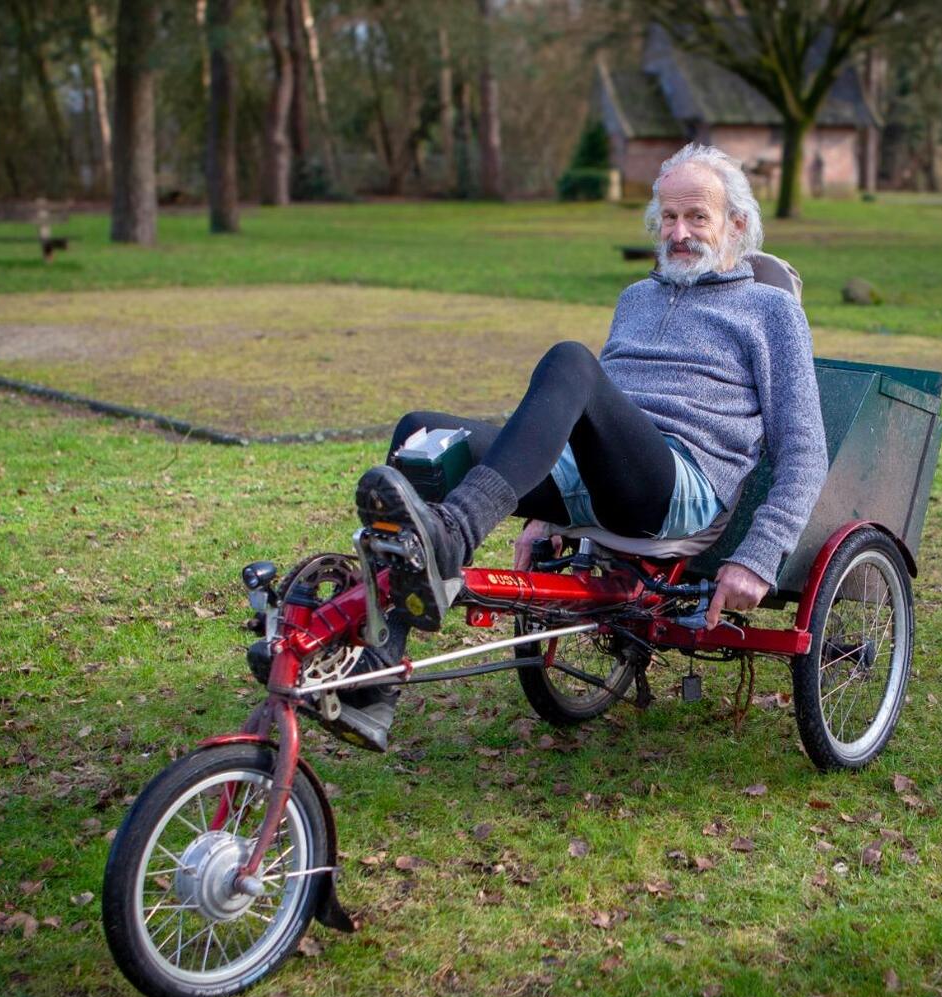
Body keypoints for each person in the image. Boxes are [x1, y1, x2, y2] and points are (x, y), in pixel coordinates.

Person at [331, 142, 828, 753]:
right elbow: (585, 419)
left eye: (697, 217)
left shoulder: (770, 310)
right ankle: (377, 678)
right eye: (668, 218)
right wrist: (544, 514)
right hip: (602, 475)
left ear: (736, 226)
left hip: (679, 486)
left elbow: (805, 449)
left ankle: (453, 532)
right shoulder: (635, 299)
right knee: (420, 433)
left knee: (572, 362)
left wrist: (758, 557)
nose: (679, 232)